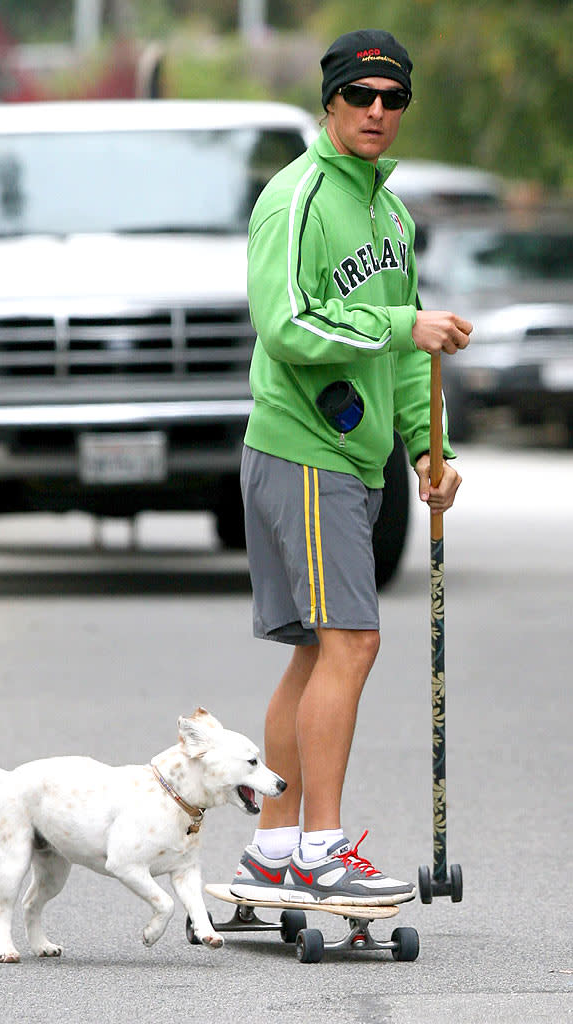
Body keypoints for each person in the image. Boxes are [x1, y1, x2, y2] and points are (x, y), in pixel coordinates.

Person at [229, 29, 473, 906]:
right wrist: (402, 326)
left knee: (312, 657)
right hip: (302, 448)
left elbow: (410, 363)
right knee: (352, 642)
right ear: (330, 100)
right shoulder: (295, 198)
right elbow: (286, 324)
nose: (377, 111)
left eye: (393, 99)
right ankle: (322, 848)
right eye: (361, 95)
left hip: (353, 460)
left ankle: (274, 847)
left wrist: (428, 450)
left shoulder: (392, 215)